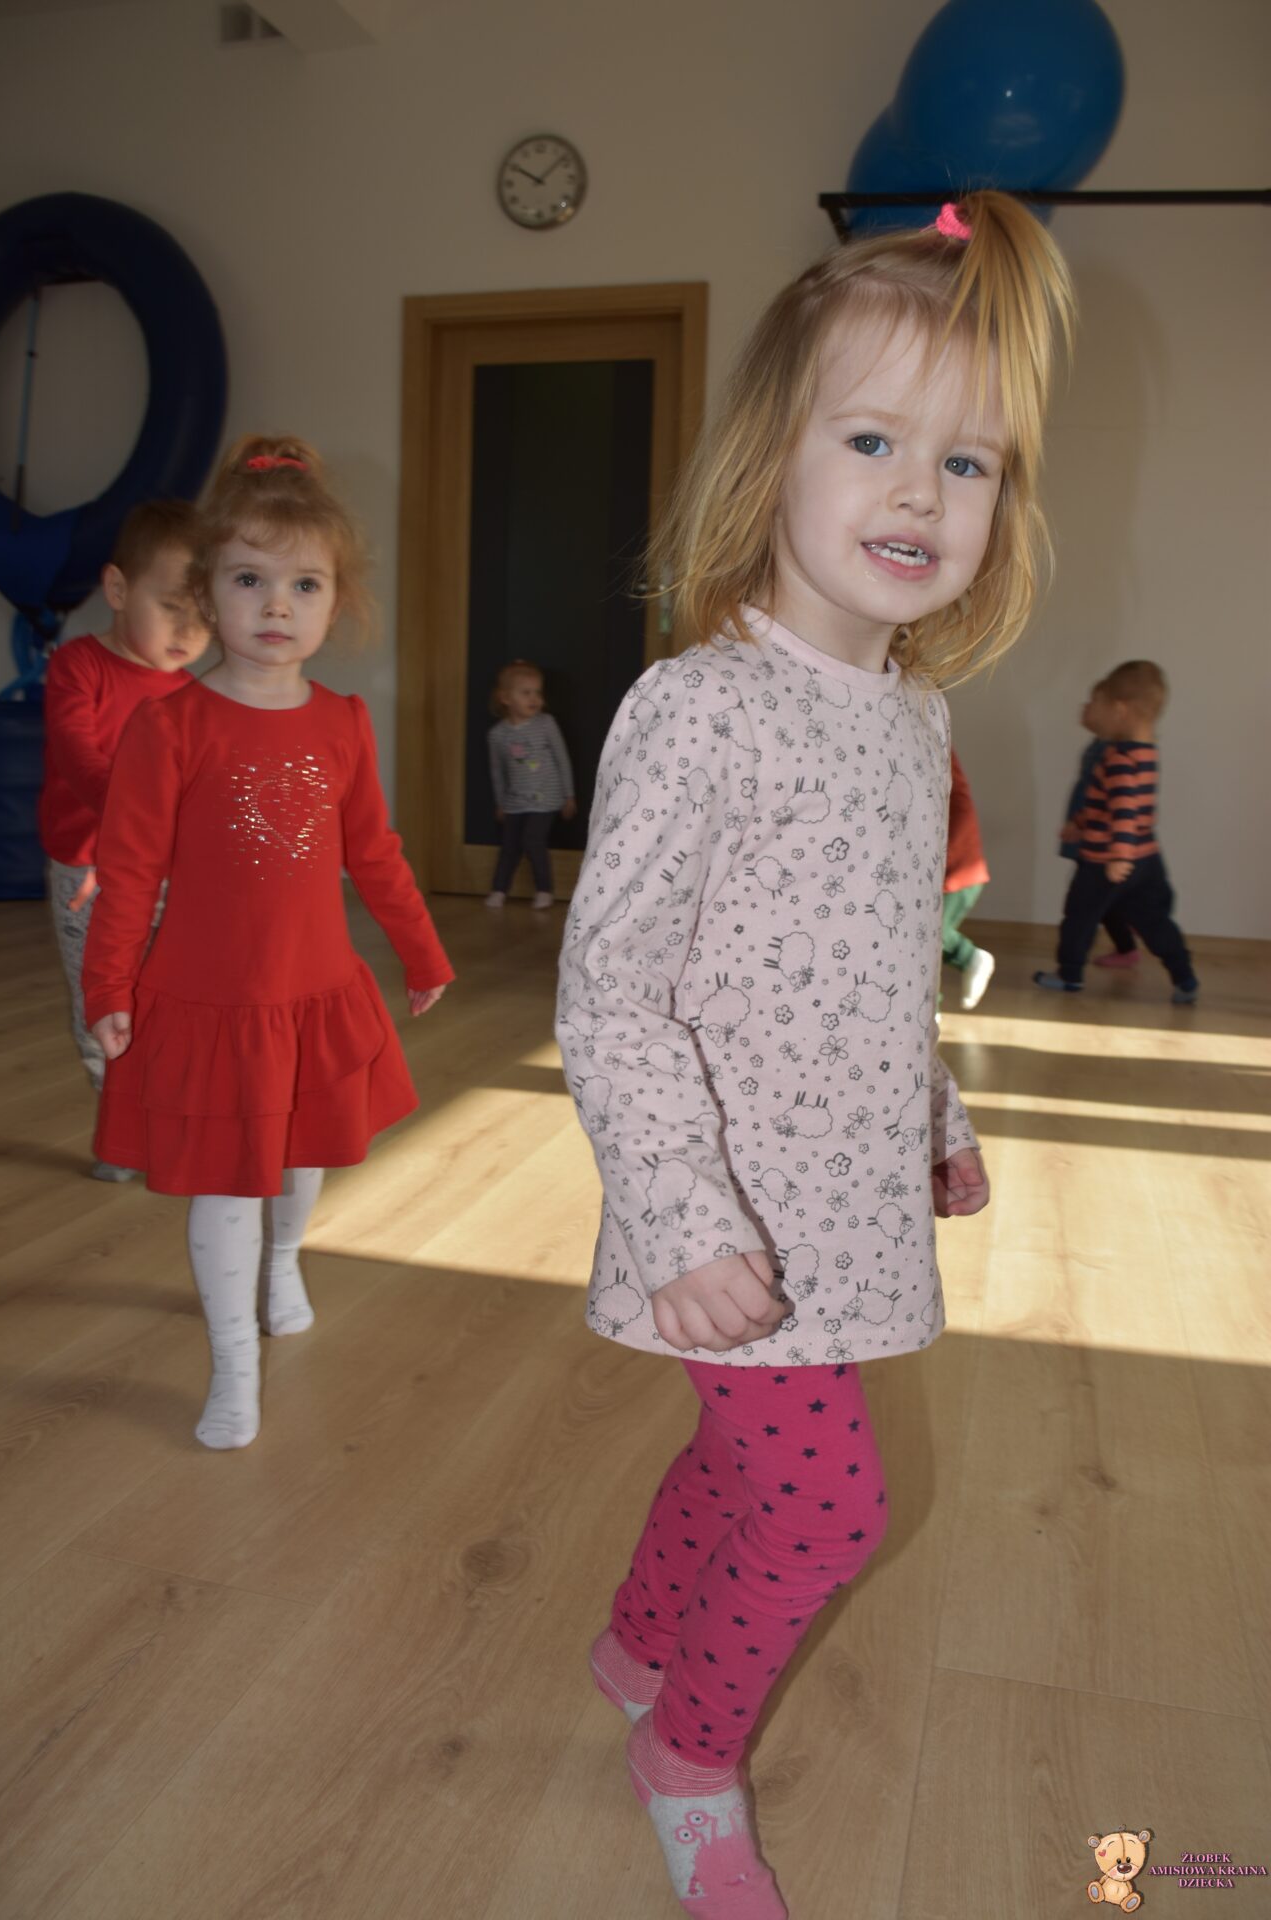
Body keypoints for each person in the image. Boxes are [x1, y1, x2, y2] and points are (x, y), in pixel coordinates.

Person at [557, 194, 1073, 1917]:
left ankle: (641, 1645)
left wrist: (933, 1109)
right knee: (826, 1512)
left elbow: (876, 964)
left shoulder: (915, 718)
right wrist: (682, 1214)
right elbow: (611, 992)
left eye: (967, 462)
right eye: (872, 442)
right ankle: (688, 1755)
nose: (921, 494)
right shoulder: (698, 709)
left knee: (745, 1464)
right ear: (772, 455)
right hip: (721, 1208)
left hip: (845, 1196)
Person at [82, 435, 453, 1450]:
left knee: (300, 1152)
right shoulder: (170, 728)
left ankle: (285, 1260)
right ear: (207, 591)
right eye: (249, 579)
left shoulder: (343, 722)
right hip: (209, 1001)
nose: (276, 605)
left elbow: (374, 851)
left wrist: (421, 952)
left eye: (303, 584)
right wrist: (106, 986)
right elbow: (128, 873)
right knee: (227, 1178)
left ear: (337, 603)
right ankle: (233, 1367)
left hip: (312, 988)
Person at [39, 500, 210, 1178]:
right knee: (101, 998)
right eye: (172, 607)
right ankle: (120, 1127)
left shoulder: (192, 694)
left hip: (164, 874)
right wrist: (133, 818)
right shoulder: (77, 666)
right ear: (117, 589)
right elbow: (78, 756)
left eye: (203, 615)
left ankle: (168, 1110)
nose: (189, 630)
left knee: (167, 995)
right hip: (88, 869)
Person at [1034, 660, 1197, 1003]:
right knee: (1154, 921)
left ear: (1120, 710)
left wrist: (1118, 855)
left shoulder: (1119, 758)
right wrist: (1079, 824)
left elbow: (1123, 810)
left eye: (1099, 703)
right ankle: (1184, 977)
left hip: (1105, 859)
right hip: (1145, 856)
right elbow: (1107, 802)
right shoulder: (1147, 753)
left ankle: (1069, 975)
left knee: (1079, 916)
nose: (1093, 710)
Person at [485, 659, 575, 910]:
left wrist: (569, 795)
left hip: (546, 799)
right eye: (526, 693)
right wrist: (501, 802)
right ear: (506, 698)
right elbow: (497, 772)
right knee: (509, 847)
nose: (534, 699)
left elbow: (562, 759)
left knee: (533, 841)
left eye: (537, 692)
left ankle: (544, 890)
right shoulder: (497, 735)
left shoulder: (546, 724)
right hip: (515, 802)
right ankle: (499, 889)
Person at [1062, 684, 1141, 969]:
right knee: (1101, 900)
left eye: (1093, 702)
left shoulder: (1110, 752)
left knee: (1089, 900)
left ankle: (1073, 964)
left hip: (1096, 838)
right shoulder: (1098, 746)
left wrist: (1082, 826)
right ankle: (1125, 946)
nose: (1085, 707)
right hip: (1086, 831)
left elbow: (1109, 801)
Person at [942, 748, 993, 1009]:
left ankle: (969, 957)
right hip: (954, 867)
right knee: (927, 938)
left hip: (956, 869)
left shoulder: (937, 750)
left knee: (928, 938)